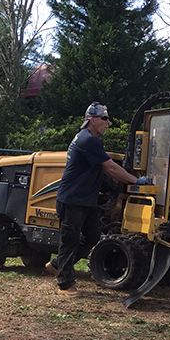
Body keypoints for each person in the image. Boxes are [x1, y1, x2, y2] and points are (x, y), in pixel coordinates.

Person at [45, 102, 146, 297]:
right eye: (104, 118)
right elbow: (110, 166)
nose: (108, 122)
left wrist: (114, 177)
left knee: (92, 236)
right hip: (72, 200)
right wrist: (136, 181)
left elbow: (100, 166)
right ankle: (65, 284)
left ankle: (58, 265)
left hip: (85, 200)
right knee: (69, 241)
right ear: (92, 120)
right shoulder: (87, 140)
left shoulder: (91, 139)